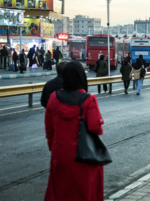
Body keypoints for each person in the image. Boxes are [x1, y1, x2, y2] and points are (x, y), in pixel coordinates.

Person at [44, 61, 105, 201]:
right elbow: (95, 128)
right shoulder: (88, 100)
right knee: (84, 191)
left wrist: (54, 147)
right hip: (84, 155)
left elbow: (49, 127)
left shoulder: (54, 98)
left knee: (60, 190)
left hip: (60, 153)